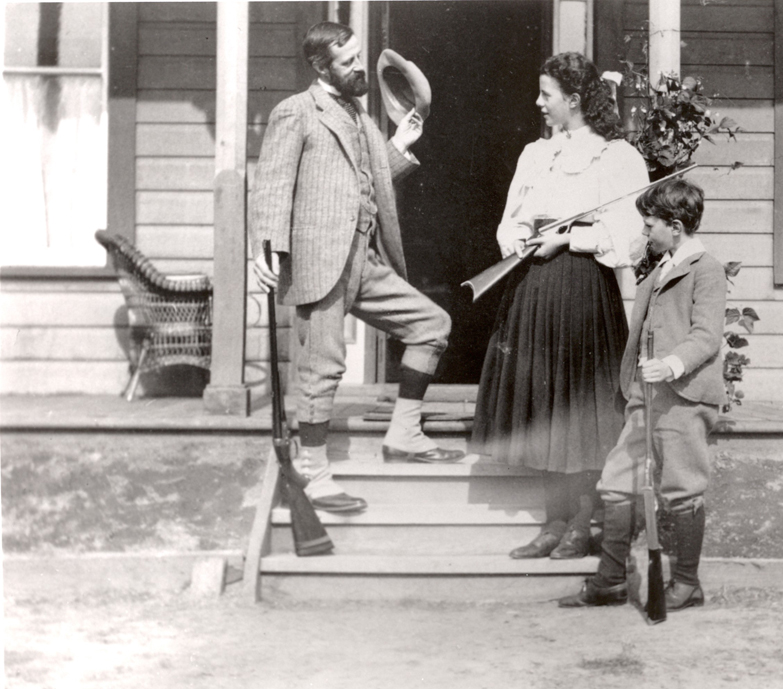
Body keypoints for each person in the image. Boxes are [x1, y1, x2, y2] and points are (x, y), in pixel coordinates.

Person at [250, 22, 464, 514]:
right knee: (324, 367)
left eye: (358, 56)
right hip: (318, 260)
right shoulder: (296, 112)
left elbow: (369, 179)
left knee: (431, 325)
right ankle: (314, 469)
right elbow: (272, 187)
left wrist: (403, 143)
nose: (357, 66)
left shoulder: (361, 116)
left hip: (363, 260)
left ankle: (405, 433)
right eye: (347, 62)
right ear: (321, 67)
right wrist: (264, 250)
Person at [470, 52, 649, 560]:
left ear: (573, 100)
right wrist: (521, 236)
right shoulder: (535, 155)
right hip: (533, 290)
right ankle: (552, 522)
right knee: (546, 405)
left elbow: (628, 234)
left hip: (583, 293)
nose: (538, 102)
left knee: (581, 408)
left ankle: (582, 523)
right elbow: (509, 219)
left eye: (546, 94)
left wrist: (570, 240)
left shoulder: (616, 158)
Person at [557, 178, 727, 610]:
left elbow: (706, 336)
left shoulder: (706, 270)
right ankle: (612, 581)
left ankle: (687, 584)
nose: (644, 233)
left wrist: (671, 364)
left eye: (649, 225)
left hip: (683, 399)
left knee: (681, 489)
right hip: (644, 398)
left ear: (674, 225)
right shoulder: (658, 269)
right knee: (615, 484)